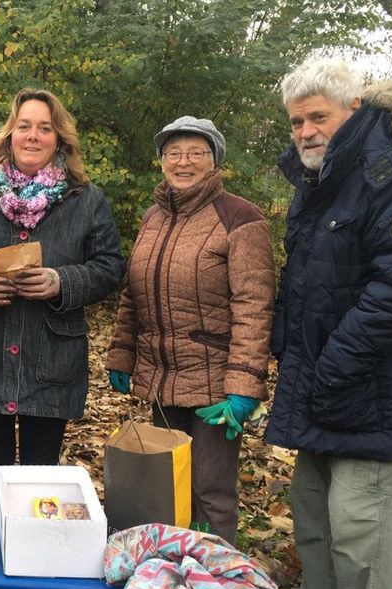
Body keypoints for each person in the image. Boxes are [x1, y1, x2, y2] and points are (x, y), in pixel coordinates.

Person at [266, 57, 392, 589]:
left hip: (378, 401)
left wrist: (334, 364)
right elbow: (309, 282)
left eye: (318, 117)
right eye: (296, 122)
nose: (306, 131)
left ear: (354, 109)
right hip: (322, 393)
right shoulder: (320, 181)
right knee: (316, 538)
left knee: (364, 552)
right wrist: (287, 347)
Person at [0, 88, 125, 515]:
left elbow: (111, 267)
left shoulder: (85, 199)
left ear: (60, 139)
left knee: (41, 478)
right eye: (24, 126)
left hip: (49, 359)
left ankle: (34, 564)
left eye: (44, 128)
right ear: (9, 135)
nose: (33, 136)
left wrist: (62, 281)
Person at [105, 116, 275, 545]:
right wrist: (123, 356)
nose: (184, 162)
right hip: (163, 377)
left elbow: (254, 305)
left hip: (215, 384)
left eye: (196, 152)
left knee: (210, 491)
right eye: (173, 153)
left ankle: (215, 585)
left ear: (214, 161)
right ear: (162, 161)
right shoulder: (153, 217)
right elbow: (133, 295)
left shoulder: (240, 218)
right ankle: (167, 576)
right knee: (165, 486)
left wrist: (244, 387)